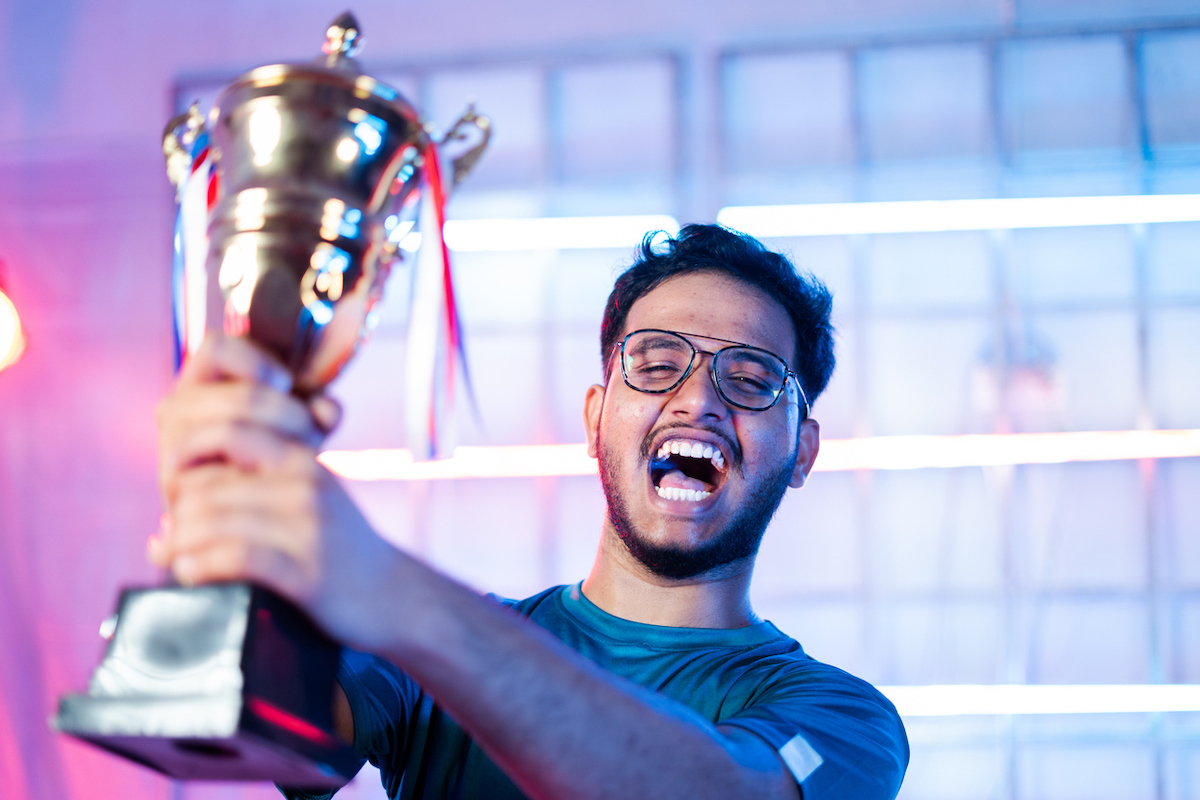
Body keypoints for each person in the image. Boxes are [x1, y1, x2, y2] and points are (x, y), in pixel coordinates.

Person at [152, 223, 909, 800]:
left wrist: (397, 592)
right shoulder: (420, 663)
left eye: (750, 379)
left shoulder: (845, 718)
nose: (698, 400)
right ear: (595, 418)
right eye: (653, 364)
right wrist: (221, 521)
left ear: (802, 451)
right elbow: (194, 702)